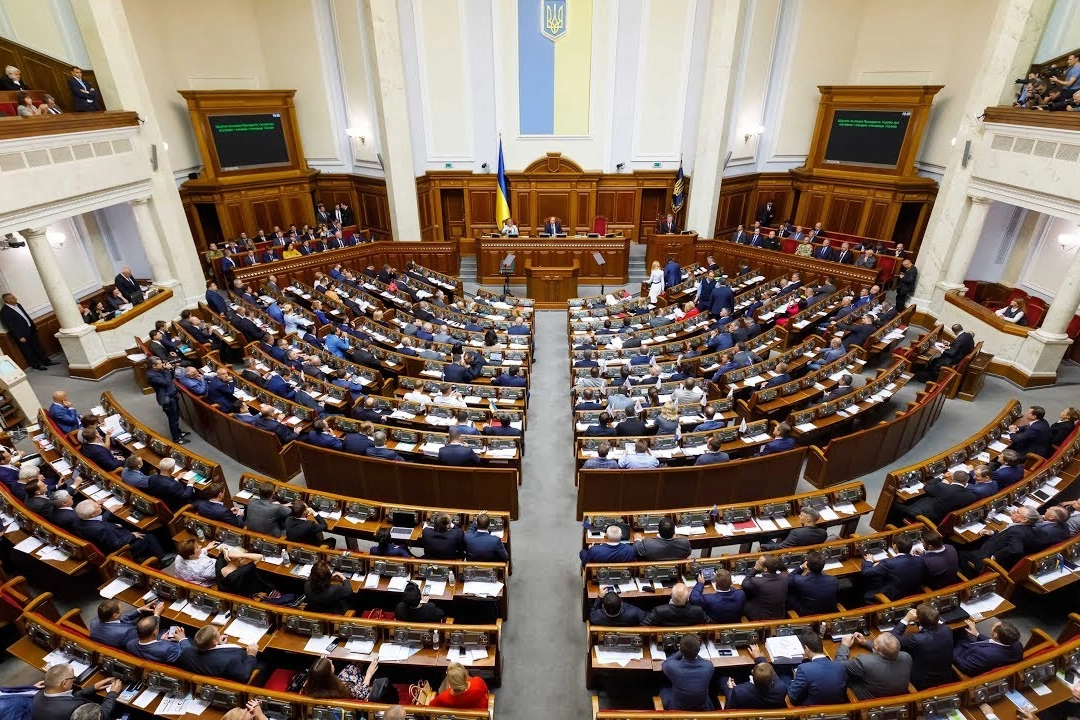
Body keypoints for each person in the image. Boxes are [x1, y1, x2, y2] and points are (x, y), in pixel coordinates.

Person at [73, 499, 167, 563]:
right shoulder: (101, 529)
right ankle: (160, 561)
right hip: (124, 547)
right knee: (149, 536)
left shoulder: (79, 521)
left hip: (111, 536)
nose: (99, 505)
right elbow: (116, 545)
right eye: (97, 507)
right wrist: (133, 535)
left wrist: (110, 513)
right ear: (93, 514)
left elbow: (98, 521)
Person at [889, 603, 954, 689]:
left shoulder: (915, 639)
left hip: (923, 683)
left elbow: (890, 639)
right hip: (946, 678)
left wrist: (906, 618)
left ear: (918, 619)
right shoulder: (947, 629)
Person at [836, 632, 912, 700]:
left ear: (876, 647)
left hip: (870, 703)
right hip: (898, 699)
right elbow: (887, 651)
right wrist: (865, 642)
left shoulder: (864, 662)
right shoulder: (906, 657)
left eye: (877, 638)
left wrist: (844, 645)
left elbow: (838, 666)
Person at [31, 665, 121, 720]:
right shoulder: (75, 709)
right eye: (73, 677)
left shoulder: (38, 696)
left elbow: (68, 698)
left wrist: (93, 687)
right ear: (64, 683)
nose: (74, 680)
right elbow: (101, 716)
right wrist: (112, 693)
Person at [179, 625, 259, 683]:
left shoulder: (186, 653)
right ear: (214, 641)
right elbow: (244, 675)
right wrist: (251, 655)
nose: (218, 630)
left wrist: (218, 644)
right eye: (217, 631)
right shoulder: (232, 659)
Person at [787, 631, 848, 705]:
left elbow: (793, 697)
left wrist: (794, 680)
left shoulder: (804, 669)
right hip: (838, 709)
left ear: (806, 648)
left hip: (812, 710)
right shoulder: (840, 666)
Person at [660, 634, 714, 710]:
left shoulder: (674, 667)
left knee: (663, 688)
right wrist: (693, 652)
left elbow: (665, 663)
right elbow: (703, 661)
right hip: (702, 709)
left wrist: (681, 652)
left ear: (680, 648)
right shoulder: (708, 666)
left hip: (678, 711)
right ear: (698, 650)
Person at [953, 619, 1023, 676]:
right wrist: (977, 634)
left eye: (993, 626)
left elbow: (964, 667)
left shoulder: (985, 654)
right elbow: (994, 642)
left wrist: (948, 651)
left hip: (963, 657)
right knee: (960, 630)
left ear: (995, 634)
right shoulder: (1017, 644)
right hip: (976, 651)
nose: (992, 626)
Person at [1, 293, 52, 370]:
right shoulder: (4, 312)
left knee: (37, 346)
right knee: (28, 350)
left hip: (30, 329)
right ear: (7, 300)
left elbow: (25, 316)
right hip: (22, 334)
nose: (16, 298)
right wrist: (19, 336)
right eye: (13, 298)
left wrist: (33, 326)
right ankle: (37, 365)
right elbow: (10, 326)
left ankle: (46, 361)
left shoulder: (18, 305)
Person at [146, 357, 188, 443]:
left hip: (172, 395)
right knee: (173, 418)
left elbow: (171, 378)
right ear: (154, 366)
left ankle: (178, 432)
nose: (162, 364)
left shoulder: (159, 369)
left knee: (176, 415)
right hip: (167, 399)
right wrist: (167, 370)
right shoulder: (151, 375)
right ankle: (176, 438)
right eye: (160, 363)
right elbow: (167, 382)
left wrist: (171, 369)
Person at [90, 598, 162, 648]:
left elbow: (121, 619)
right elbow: (146, 633)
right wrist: (156, 615)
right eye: (121, 609)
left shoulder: (94, 623)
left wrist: (140, 610)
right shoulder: (126, 632)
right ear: (115, 615)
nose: (123, 609)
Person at [724, 654, 788, 709]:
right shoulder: (781, 688)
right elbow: (769, 672)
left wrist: (731, 689)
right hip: (769, 712)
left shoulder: (739, 691)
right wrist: (758, 657)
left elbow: (728, 709)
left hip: (746, 713)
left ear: (752, 672)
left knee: (723, 678)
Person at [303, 656, 381, 700]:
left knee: (353, 667)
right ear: (329, 675)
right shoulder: (345, 687)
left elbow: (317, 673)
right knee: (356, 669)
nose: (331, 660)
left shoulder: (308, 687)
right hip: (351, 695)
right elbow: (362, 694)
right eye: (330, 664)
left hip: (331, 690)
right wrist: (368, 675)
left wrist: (321, 664)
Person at [787, 551, 839, 615]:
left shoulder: (801, 580)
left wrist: (801, 567)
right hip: (829, 611)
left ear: (807, 565)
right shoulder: (833, 580)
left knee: (788, 593)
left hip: (808, 613)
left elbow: (788, 580)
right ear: (823, 566)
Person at [742, 555, 788, 620]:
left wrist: (754, 569)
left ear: (765, 569)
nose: (756, 563)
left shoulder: (757, 581)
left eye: (758, 563)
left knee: (743, 601)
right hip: (780, 614)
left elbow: (744, 583)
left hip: (764, 617)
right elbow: (785, 571)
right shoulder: (785, 577)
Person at [761, 507, 826, 550]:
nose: (799, 516)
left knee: (762, 537)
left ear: (808, 519)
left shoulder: (796, 533)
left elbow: (780, 548)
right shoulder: (823, 533)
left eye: (801, 515)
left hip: (788, 553)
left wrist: (763, 546)